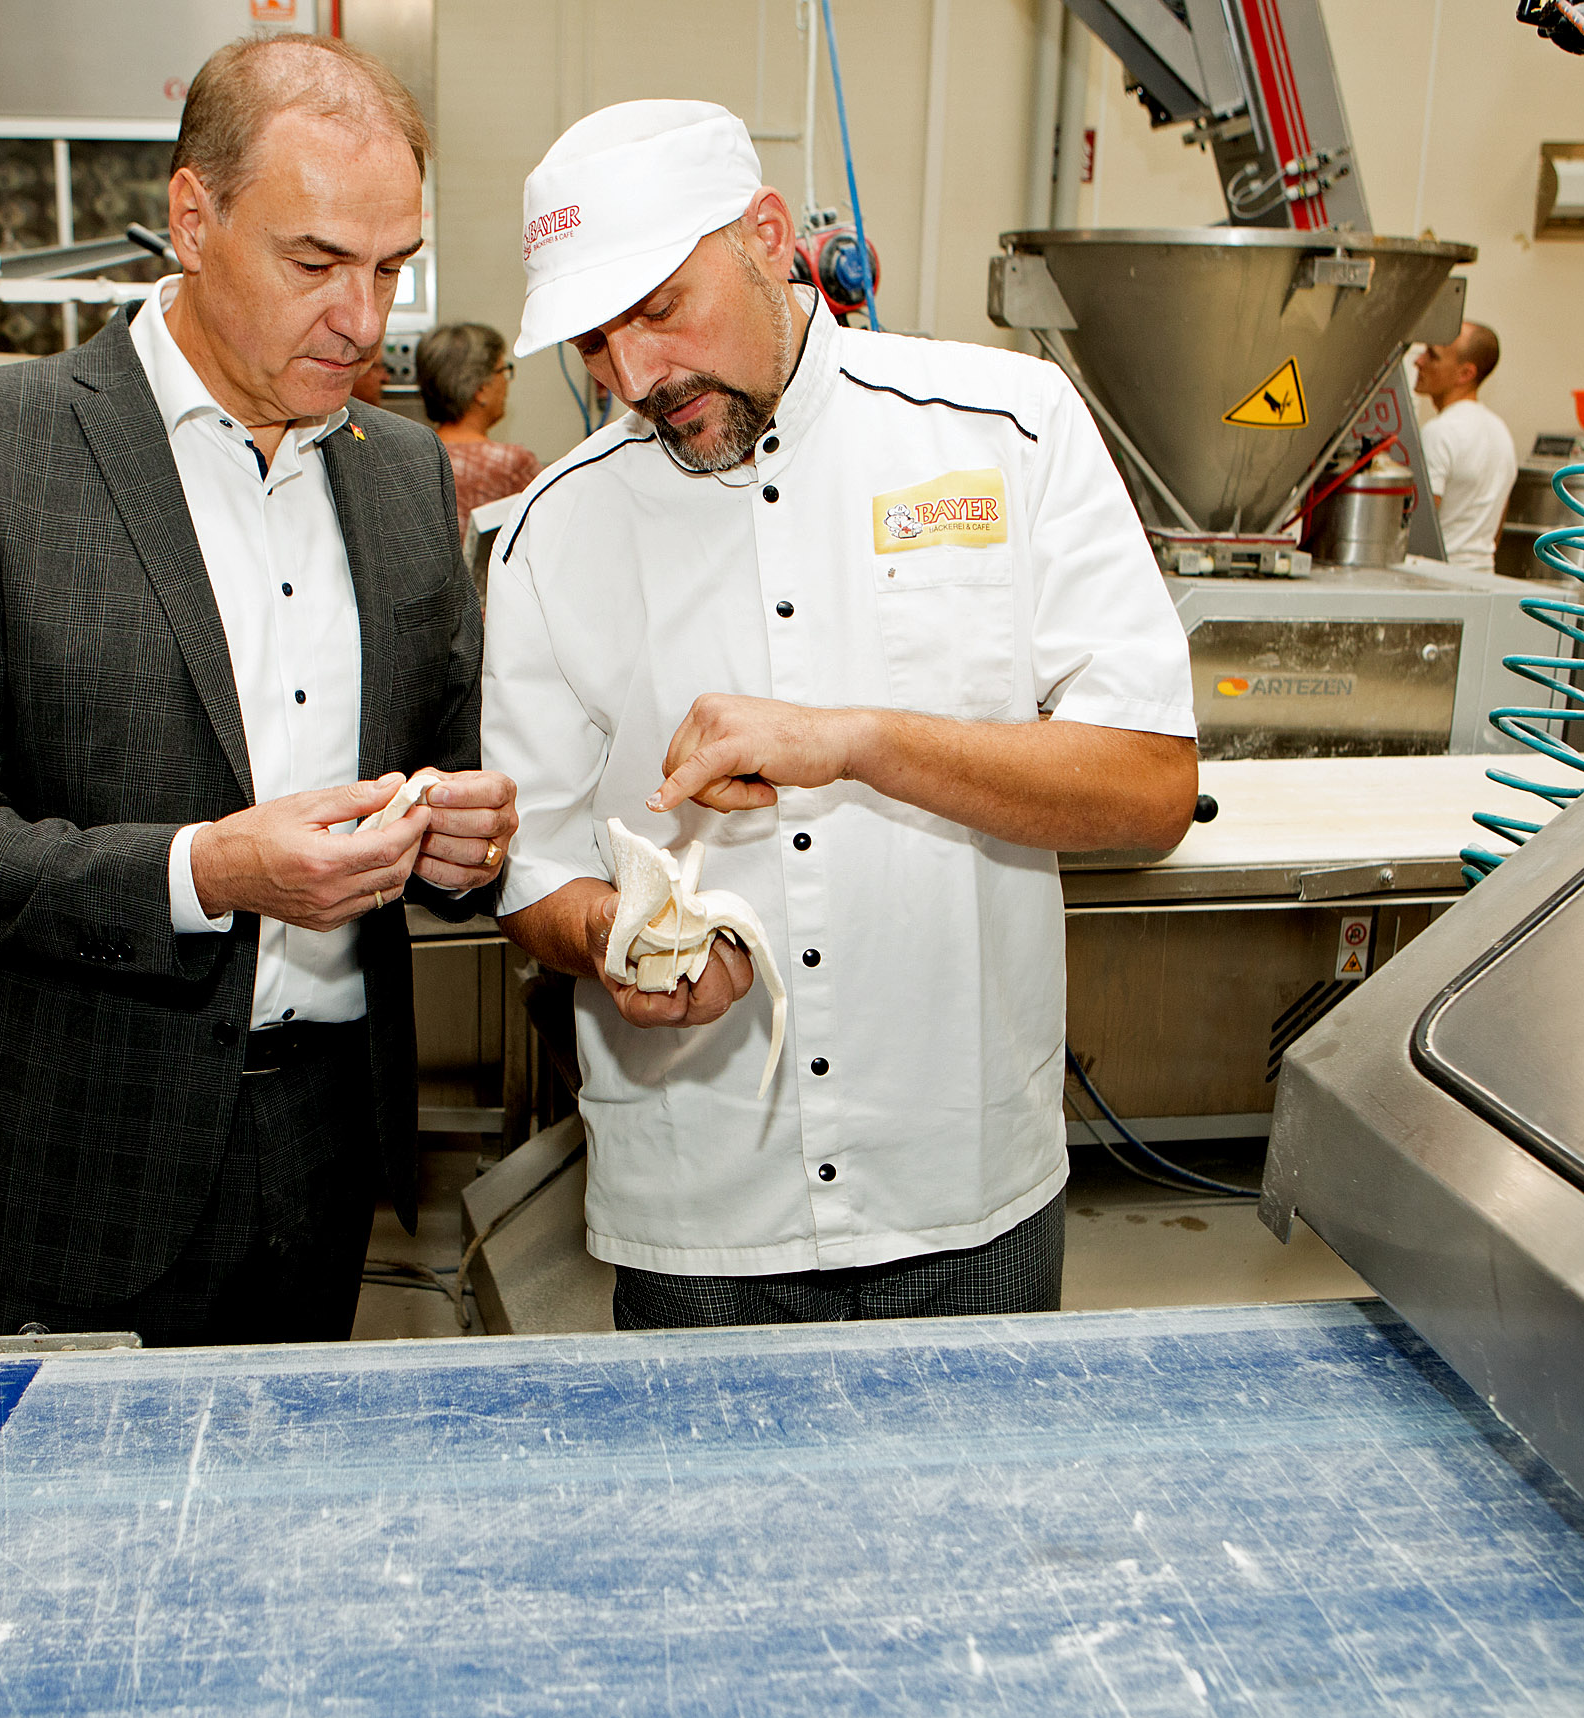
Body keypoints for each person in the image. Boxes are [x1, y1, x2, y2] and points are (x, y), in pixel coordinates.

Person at [482, 101, 1199, 1332]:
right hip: (701, 1207)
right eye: (598, 342)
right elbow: (532, 873)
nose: (637, 376)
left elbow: (1149, 789)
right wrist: (617, 936)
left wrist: (861, 741)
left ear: (768, 235)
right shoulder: (557, 531)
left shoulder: (1005, 431)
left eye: (659, 309)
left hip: (961, 1189)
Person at [0, 34, 518, 1347]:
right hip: (70, 1158)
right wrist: (202, 872)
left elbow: (445, 768)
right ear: (193, 219)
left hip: (326, 1142)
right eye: (317, 263)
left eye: (391, 269)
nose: (364, 319)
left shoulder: (397, 477)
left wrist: (465, 841)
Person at [418, 321, 542, 532]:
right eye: (502, 370)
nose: (506, 382)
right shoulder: (512, 465)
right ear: (481, 389)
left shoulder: (409, 457)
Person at [1413, 321, 1516, 573]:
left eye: (1432, 356)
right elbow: (1496, 530)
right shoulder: (1501, 432)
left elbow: (1419, 530)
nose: (1419, 361)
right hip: (1482, 579)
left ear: (1465, 374)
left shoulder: (1440, 432)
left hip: (1437, 579)